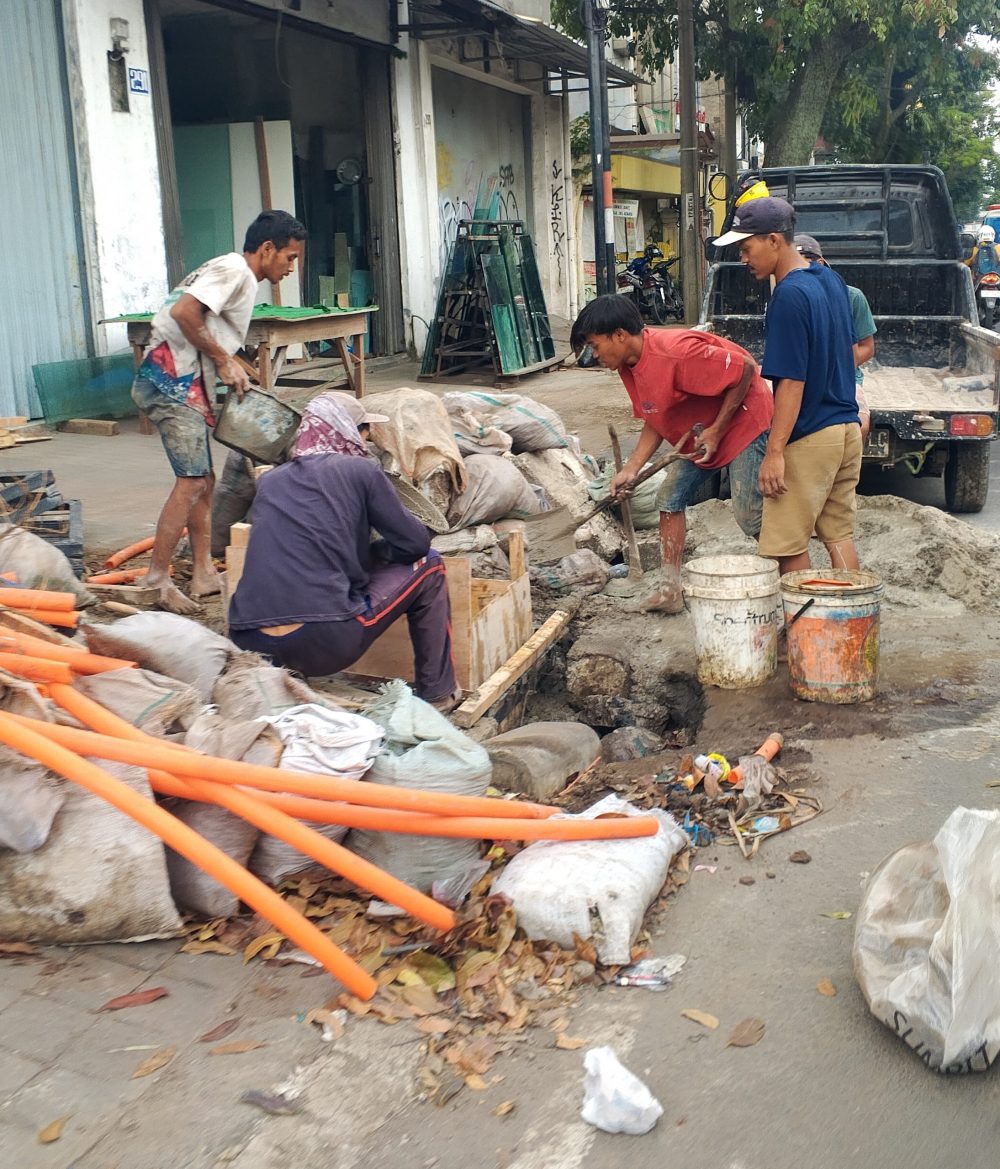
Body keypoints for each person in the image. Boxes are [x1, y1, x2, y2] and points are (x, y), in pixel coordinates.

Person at [228, 392, 462, 712]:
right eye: (365, 431)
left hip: (250, 642)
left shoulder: (271, 481)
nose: (368, 441)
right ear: (350, 431)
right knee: (430, 565)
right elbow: (414, 544)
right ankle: (438, 693)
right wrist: (381, 553)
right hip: (324, 641)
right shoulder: (361, 471)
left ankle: (293, 676)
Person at [133, 210, 307, 614]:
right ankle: (156, 578)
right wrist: (223, 362)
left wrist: (240, 369)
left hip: (180, 381)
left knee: (205, 482)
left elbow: (210, 332)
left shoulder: (231, 272)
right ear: (267, 249)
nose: (290, 268)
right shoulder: (237, 271)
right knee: (192, 481)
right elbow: (184, 314)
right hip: (172, 381)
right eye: (290, 258)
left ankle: (203, 572)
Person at [569, 294, 773, 613]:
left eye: (595, 345)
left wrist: (717, 430)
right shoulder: (630, 366)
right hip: (701, 430)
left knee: (749, 515)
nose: (594, 355)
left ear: (620, 335)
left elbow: (746, 369)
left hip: (745, 419)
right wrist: (631, 469)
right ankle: (670, 590)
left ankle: (784, 578)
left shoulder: (676, 353)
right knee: (669, 498)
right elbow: (656, 417)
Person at [715, 196, 861, 575]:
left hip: (811, 435)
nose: (743, 259)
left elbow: (792, 382)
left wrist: (775, 452)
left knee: (787, 545)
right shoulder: (830, 279)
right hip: (846, 429)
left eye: (746, 248)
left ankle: (803, 632)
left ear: (775, 241)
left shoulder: (789, 296)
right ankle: (851, 625)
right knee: (839, 536)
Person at [794, 234, 876, 442]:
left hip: (845, 380)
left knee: (860, 424)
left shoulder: (851, 297)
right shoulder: (790, 296)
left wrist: (837, 366)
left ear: (820, 263)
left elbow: (867, 346)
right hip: (800, 380)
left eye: (806, 261)